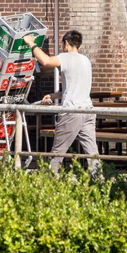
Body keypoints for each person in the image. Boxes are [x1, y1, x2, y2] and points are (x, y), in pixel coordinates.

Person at [23, 30, 100, 174]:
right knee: (92, 152)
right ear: (80, 45)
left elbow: (45, 61)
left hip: (72, 113)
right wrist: (53, 96)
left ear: (66, 43)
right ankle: (100, 182)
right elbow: (74, 87)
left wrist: (30, 42)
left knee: (57, 153)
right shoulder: (86, 61)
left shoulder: (66, 57)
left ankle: (50, 184)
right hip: (88, 111)